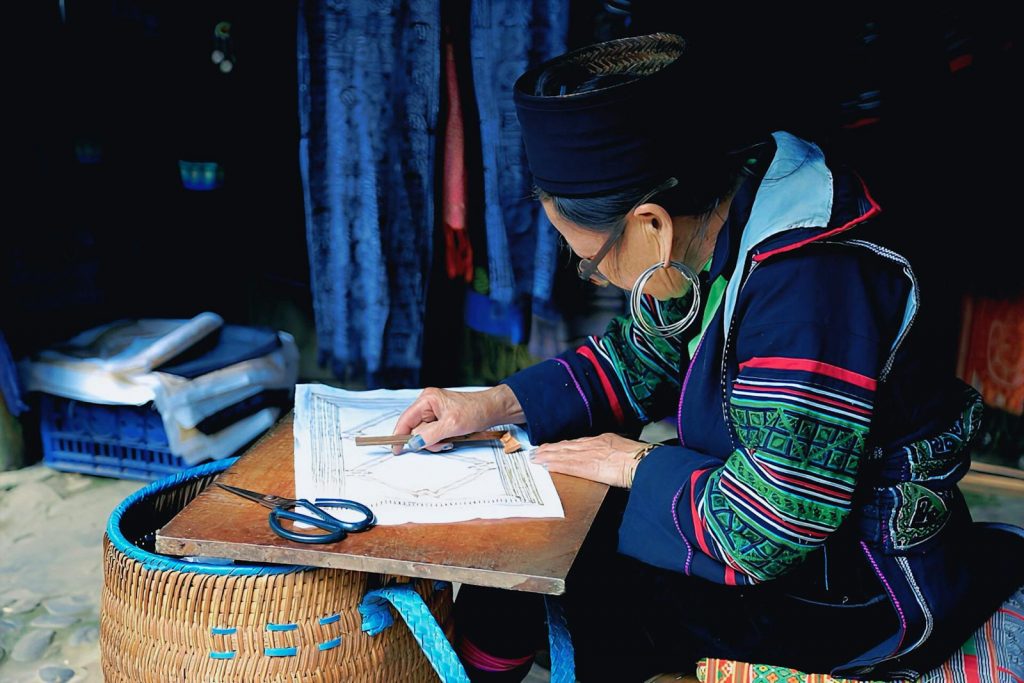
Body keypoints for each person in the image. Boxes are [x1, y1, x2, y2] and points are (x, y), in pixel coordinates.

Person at [392, 33, 1024, 682]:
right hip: (763, 511)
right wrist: (494, 404)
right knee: (528, 527)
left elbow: (772, 525)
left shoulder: (808, 284)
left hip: (859, 579)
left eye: (590, 258)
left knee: (583, 580)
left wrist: (634, 462)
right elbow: (639, 358)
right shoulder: (723, 206)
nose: (594, 275)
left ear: (652, 225)